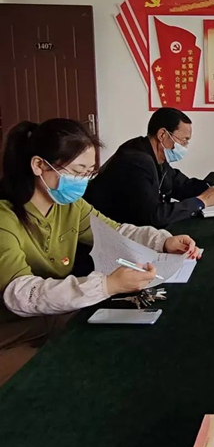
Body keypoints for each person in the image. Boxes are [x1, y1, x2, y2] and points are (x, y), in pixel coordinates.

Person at [0, 119, 201, 386]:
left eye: (88, 173)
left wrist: (162, 242)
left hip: (52, 319)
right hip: (11, 336)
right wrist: (107, 286)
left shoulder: (69, 206)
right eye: (77, 172)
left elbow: (116, 231)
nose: (82, 182)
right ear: (39, 165)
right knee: (58, 379)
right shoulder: (5, 218)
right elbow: (21, 294)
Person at [86, 108, 214, 227]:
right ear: (162, 135)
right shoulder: (135, 161)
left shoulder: (155, 155)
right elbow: (154, 216)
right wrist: (201, 202)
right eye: (183, 140)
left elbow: (182, 185)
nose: (185, 146)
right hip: (104, 233)